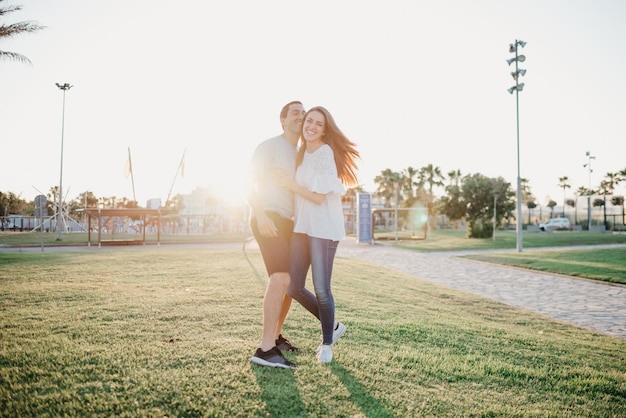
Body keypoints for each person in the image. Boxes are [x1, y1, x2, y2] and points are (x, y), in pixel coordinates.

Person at [277, 106, 360, 363]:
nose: (311, 126)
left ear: (325, 130)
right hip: (302, 227)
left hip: (323, 228)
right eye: (309, 121)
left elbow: (318, 196)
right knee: (293, 286)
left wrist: (292, 185)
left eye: (318, 124)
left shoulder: (325, 153)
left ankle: (327, 344)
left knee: (322, 288)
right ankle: (334, 326)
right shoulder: (302, 153)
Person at [247, 100, 305, 369]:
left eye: (304, 113)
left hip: (291, 223)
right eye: (296, 112)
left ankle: (276, 336)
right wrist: (261, 215)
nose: (301, 116)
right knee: (280, 277)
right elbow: (248, 184)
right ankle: (265, 348)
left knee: (292, 285)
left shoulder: (303, 154)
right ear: (282, 120)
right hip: (268, 217)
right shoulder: (269, 146)